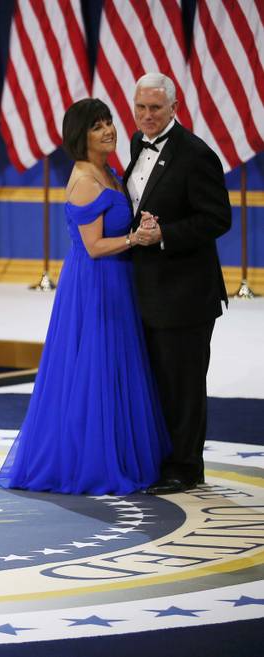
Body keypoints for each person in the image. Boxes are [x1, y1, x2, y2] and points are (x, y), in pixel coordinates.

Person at [0, 98, 170, 495]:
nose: (109, 130)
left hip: (117, 278)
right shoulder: (85, 181)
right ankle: (91, 462)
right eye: (97, 126)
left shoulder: (106, 170)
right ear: (81, 136)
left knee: (116, 365)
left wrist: (138, 224)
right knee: (96, 367)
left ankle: (120, 452)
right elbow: (93, 247)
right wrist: (135, 238)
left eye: (108, 121)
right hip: (95, 284)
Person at [128, 73, 232, 495]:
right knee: (157, 380)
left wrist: (165, 233)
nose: (147, 116)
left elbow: (217, 219)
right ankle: (163, 458)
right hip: (147, 289)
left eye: (155, 108)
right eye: (140, 107)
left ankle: (185, 468)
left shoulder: (195, 154)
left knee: (183, 384)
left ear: (175, 107)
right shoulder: (137, 145)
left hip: (186, 293)